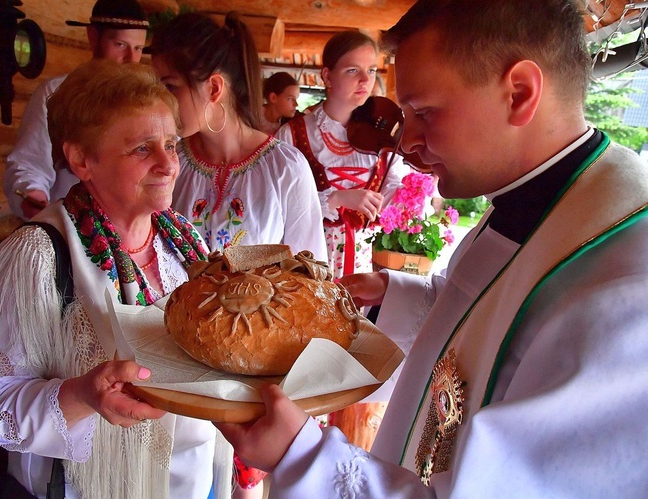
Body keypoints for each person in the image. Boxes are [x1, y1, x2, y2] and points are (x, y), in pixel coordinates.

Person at [216, 0, 648, 497]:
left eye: (424, 112)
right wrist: (396, 295)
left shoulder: (626, 286)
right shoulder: (538, 194)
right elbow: (493, 323)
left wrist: (303, 457)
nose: (407, 140)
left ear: (520, 93)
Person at [0, 60, 231, 498]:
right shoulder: (35, 256)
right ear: (81, 159)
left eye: (171, 144)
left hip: (192, 480)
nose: (169, 165)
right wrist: (81, 396)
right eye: (143, 149)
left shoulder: (184, 243)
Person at [149, 12, 327, 260]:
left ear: (214, 88)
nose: (160, 100)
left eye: (170, 86)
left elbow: (311, 274)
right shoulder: (170, 163)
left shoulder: (285, 168)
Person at [276, 31, 409, 280]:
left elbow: (391, 191)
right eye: (352, 70)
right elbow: (279, 205)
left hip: (359, 264)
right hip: (306, 261)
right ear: (327, 76)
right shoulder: (292, 133)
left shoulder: (383, 138)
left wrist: (409, 193)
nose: (365, 80)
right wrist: (335, 198)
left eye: (371, 70)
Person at [3, 0, 150, 221]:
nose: (130, 59)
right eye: (120, 45)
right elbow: (30, 164)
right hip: (70, 229)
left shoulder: (148, 103)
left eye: (138, 48)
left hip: (132, 233)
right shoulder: (56, 94)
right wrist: (33, 196)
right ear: (93, 36)